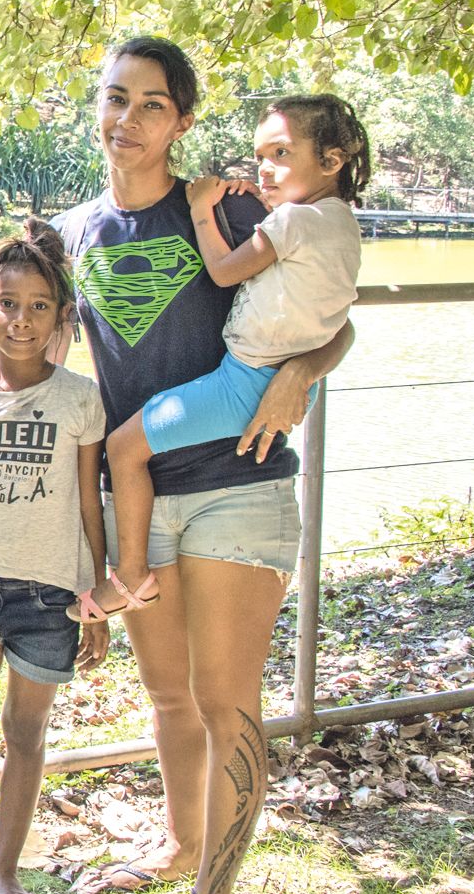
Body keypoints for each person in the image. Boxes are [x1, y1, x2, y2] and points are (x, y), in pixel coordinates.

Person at [52, 37, 354, 894]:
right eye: (115, 98)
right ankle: (183, 851)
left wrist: (304, 368)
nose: (128, 120)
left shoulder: (223, 206)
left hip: (238, 484)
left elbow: (332, 313)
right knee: (167, 698)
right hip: (135, 494)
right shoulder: (71, 233)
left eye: (152, 105)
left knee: (227, 703)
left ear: (182, 122)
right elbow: (28, 352)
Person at [78, 93, 367, 621]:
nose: (265, 169)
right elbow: (339, 316)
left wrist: (199, 209)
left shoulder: (287, 222)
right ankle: (136, 574)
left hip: (245, 384)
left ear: (331, 160)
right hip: (265, 377)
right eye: (262, 155)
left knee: (122, 448)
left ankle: (132, 578)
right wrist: (303, 370)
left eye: (282, 154)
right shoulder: (342, 224)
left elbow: (224, 271)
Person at [0, 218, 109, 894]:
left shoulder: (78, 399)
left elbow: (88, 503)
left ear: (59, 317)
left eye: (38, 305)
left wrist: (96, 596)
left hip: (48, 596)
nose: (20, 319)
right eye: (6, 302)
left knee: (26, 730)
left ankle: (6, 866)